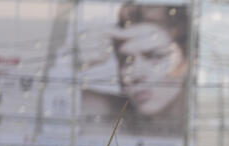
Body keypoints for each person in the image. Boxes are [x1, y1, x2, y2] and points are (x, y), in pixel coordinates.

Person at [81, 3, 190, 136]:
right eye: (126, 60)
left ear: (187, 60)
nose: (136, 74)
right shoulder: (101, 110)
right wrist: (77, 64)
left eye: (155, 56)